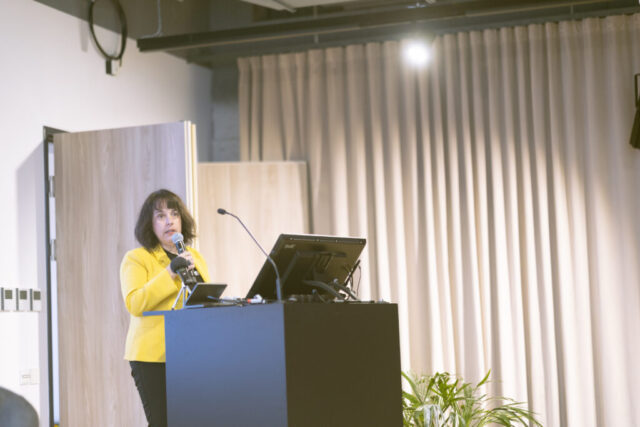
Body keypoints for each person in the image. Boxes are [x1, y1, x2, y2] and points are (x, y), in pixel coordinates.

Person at [120, 189, 210, 427]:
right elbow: (135, 303)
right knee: (162, 422)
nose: (169, 221)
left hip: (189, 352)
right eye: (160, 216)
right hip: (152, 357)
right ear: (150, 224)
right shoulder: (137, 258)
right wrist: (170, 272)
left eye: (174, 214)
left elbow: (204, 301)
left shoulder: (194, 257)